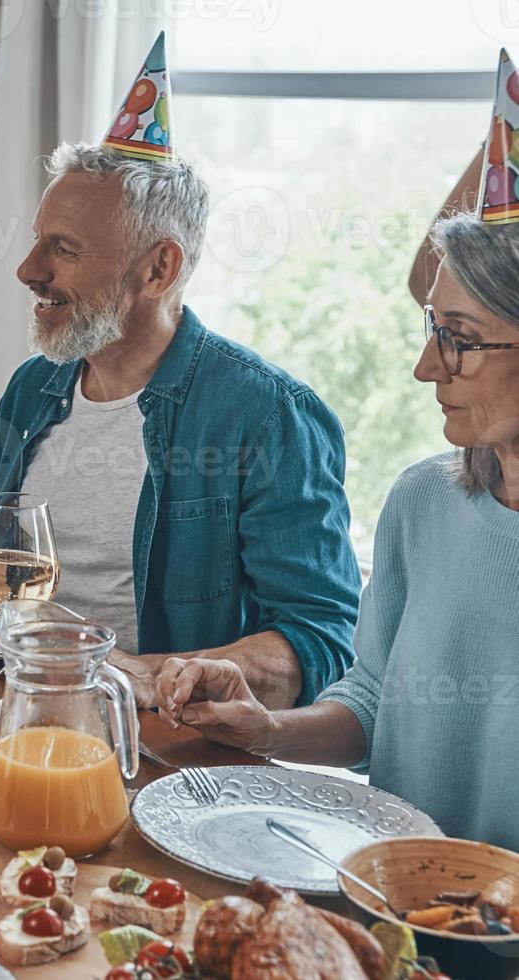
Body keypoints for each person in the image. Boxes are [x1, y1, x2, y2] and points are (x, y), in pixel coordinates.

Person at [0, 34, 362, 711]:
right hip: (4, 696)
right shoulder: (36, 385)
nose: (27, 270)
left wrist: (151, 673)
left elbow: (317, 635)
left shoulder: (266, 414)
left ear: (157, 268)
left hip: (157, 738)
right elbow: (6, 550)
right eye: (36, 239)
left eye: (63, 249)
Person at [155, 52, 519, 851]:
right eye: (430, 330)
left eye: (456, 340)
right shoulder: (423, 502)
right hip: (388, 913)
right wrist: (262, 729)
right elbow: (369, 707)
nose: (426, 366)